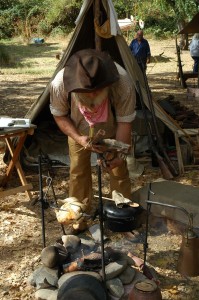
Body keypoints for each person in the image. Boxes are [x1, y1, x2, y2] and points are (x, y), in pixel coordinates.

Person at [49, 49, 136, 228]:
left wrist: (119, 153)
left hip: (112, 131)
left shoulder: (122, 81)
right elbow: (60, 116)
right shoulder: (60, 83)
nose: (92, 96)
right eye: (86, 92)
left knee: (119, 172)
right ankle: (78, 220)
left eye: (97, 91)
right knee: (78, 173)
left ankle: (121, 220)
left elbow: (125, 122)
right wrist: (78, 138)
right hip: (77, 130)